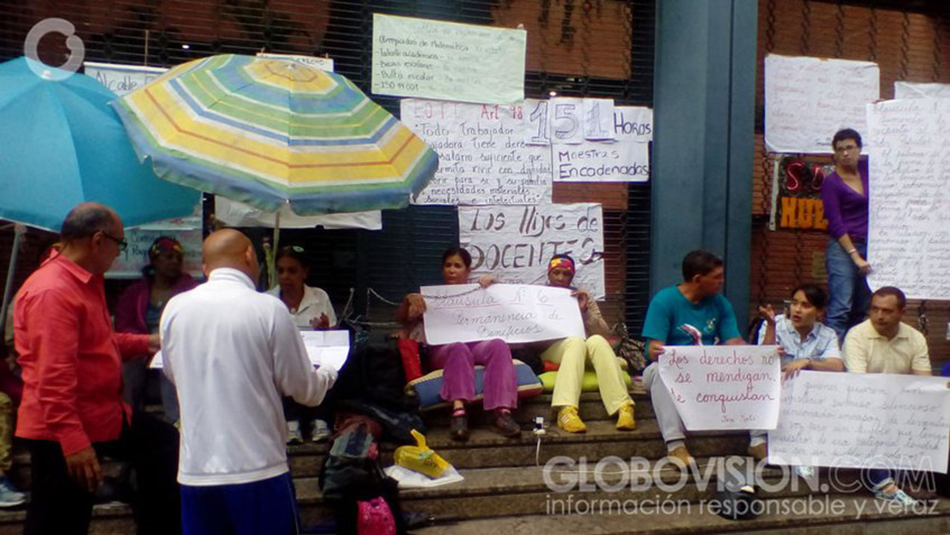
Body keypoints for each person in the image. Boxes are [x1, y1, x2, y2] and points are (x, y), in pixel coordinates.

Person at [13, 203, 179, 535]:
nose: (119, 254)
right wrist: (74, 444)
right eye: (119, 244)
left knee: (163, 444)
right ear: (98, 240)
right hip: (64, 426)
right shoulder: (53, 291)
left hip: (100, 413)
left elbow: (95, 342)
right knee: (59, 520)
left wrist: (145, 342)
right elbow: (52, 377)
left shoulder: (82, 281)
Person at [160, 229, 337, 535]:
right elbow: (304, 390)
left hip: (196, 471)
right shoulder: (267, 309)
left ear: (206, 267)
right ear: (249, 256)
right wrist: (330, 371)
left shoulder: (175, 309)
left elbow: (173, 373)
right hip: (259, 469)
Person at [397, 246, 521, 441]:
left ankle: (502, 412)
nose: (452, 270)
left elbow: (507, 304)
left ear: (468, 271)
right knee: (458, 347)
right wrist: (408, 300)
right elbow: (403, 320)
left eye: (457, 265)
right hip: (444, 350)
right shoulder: (430, 297)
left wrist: (495, 284)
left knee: (498, 344)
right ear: (442, 270)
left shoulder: (481, 291)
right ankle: (459, 412)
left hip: (477, 345)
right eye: (448, 265)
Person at [641, 250, 744, 465]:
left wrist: (761, 354)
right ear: (698, 279)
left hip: (708, 374)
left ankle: (758, 440)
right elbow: (652, 349)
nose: (721, 282)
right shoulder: (664, 301)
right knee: (660, 372)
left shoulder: (721, 303)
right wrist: (660, 350)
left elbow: (734, 343)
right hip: (669, 373)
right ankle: (675, 445)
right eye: (716, 277)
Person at [843, 286, 930, 506]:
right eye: (875, 309)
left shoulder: (915, 338)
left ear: (902, 312)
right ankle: (884, 484)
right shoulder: (856, 336)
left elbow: (924, 381)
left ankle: (909, 476)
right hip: (862, 407)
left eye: (887, 311)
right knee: (873, 417)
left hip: (900, 407)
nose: (879, 316)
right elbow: (859, 383)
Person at [539, 254, 635, 433]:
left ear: (572, 276)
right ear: (549, 274)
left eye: (566, 274)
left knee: (596, 340)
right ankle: (566, 410)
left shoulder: (581, 295)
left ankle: (623, 407)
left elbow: (603, 332)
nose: (560, 278)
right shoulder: (538, 295)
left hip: (583, 348)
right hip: (553, 349)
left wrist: (585, 311)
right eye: (556, 273)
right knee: (575, 342)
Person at [750, 284, 843, 463]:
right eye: (794, 303)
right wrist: (770, 326)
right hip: (774, 397)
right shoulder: (775, 324)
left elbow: (837, 366)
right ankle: (758, 441)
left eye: (806, 305)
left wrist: (808, 362)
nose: (797, 310)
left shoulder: (827, 334)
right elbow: (762, 361)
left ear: (820, 312)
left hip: (807, 406)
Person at [115, 236, 198, 423]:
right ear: (155, 260)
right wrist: (145, 342)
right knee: (130, 365)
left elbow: (195, 323)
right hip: (143, 348)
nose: (175, 262)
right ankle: (127, 418)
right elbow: (123, 325)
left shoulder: (191, 290)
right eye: (169, 257)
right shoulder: (135, 292)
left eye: (178, 258)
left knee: (169, 360)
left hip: (175, 348)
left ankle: (175, 422)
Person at [266, 245, 336, 444]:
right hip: (281, 360)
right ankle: (290, 423)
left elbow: (332, 337)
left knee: (328, 367)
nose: (285, 276)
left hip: (314, 358)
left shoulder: (320, 297)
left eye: (292, 270)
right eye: (281, 270)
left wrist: (325, 329)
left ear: (304, 272)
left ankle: (320, 420)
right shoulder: (268, 300)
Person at [821, 128, 872, 341]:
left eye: (850, 147)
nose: (845, 153)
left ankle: (854, 357)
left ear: (859, 149)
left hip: (871, 245)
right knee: (841, 305)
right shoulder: (831, 182)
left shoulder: (869, 169)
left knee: (862, 306)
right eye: (840, 149)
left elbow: (891, 147)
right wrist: (855, 256)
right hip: (843, 247)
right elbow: (835, 223)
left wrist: (882, 111)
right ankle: (833, 357)